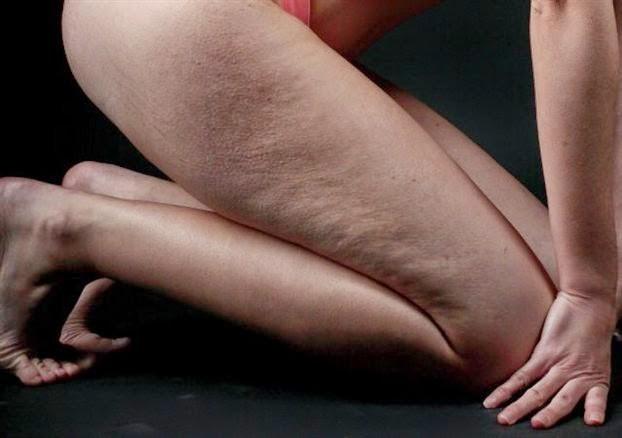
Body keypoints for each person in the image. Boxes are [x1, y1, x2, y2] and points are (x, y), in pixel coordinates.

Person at [1, 0, 621, 430]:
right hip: (183, 22)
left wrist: (602, 284)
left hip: (250, 31)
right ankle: (63, 229)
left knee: (558, 293)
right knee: (507, 336)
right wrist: (589, 292)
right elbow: (566, 9)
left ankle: (128, 206)